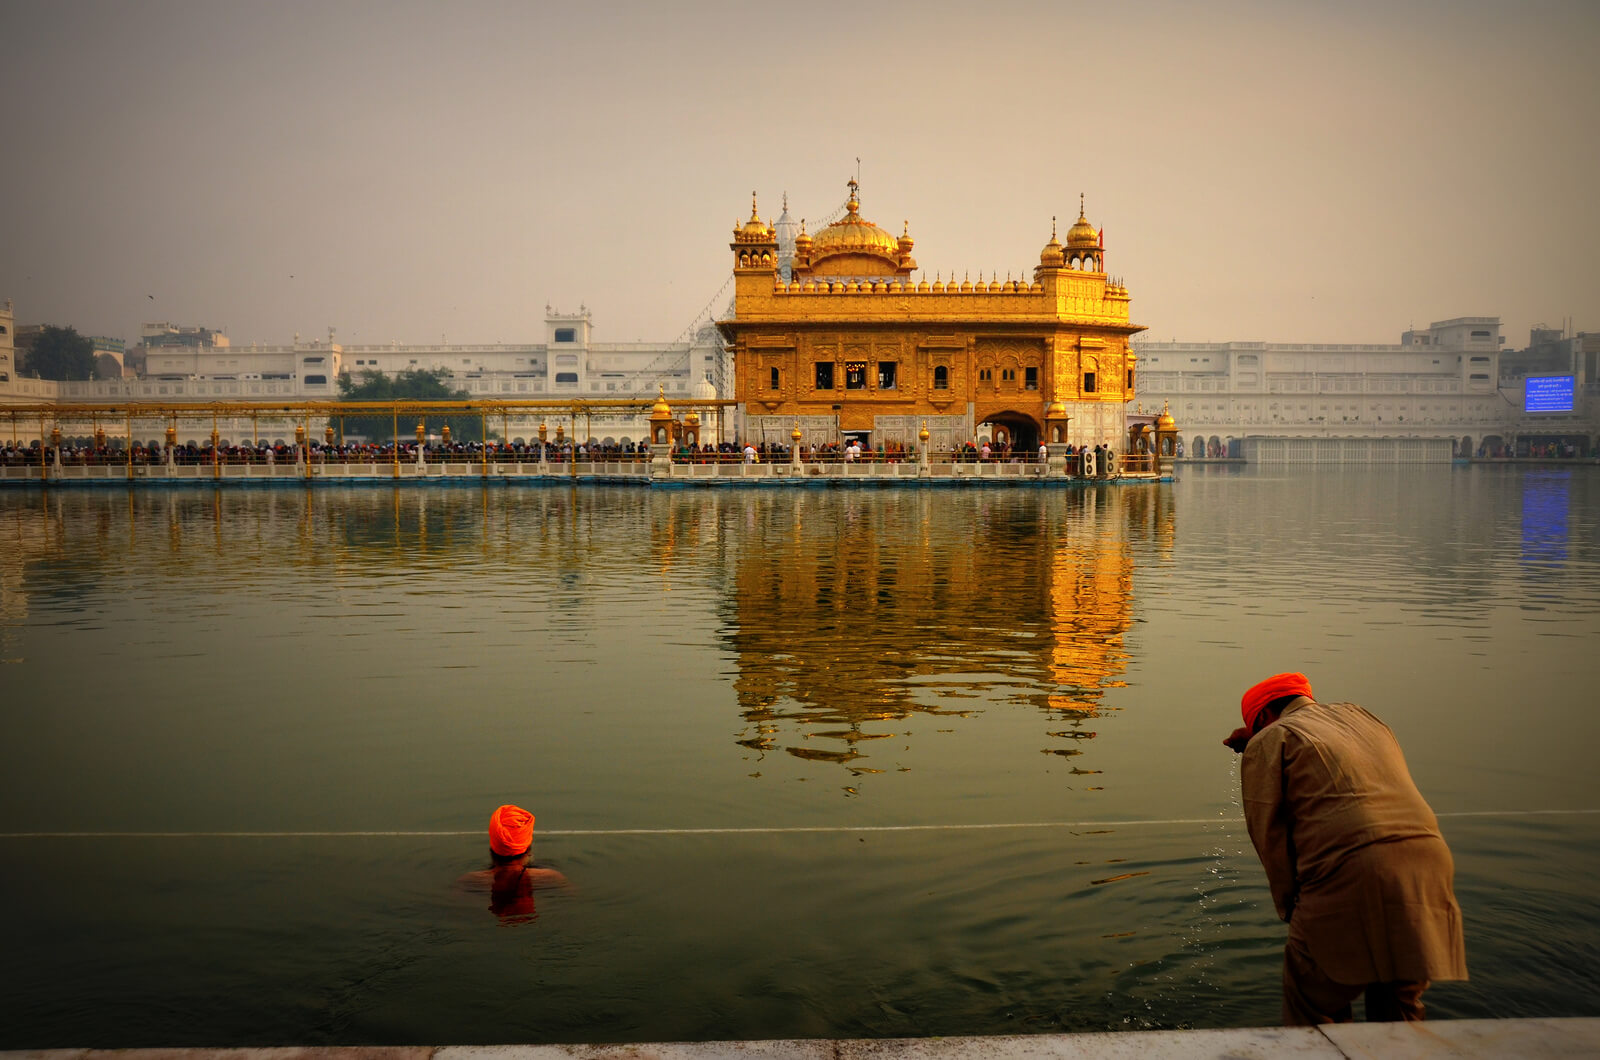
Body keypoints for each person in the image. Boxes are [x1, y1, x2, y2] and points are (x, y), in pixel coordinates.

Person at [1225, 673, 1467, 1025]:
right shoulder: (1362, 718)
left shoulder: (1273, 739)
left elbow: (1270, 837)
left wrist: (1292, 908)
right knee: (1399, 1010)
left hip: (1351, 869)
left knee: (1312, 1008)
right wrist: (1261, 736)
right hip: (1428, 867)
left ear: (1262, 718)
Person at [457, 803, 569, 922]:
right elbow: (574, 898)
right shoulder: (550, 877)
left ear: (492, 850)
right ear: (528, 852)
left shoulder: (469, 881)